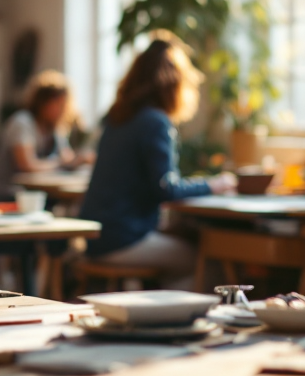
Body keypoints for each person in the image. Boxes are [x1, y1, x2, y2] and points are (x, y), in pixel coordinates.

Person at [79, 33, 235, 287]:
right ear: (174, 83)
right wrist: (214, 184)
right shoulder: (155, 122)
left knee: (179, 251)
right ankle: (167, 320)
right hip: (124, 239)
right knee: (206, 263)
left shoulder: (118, 117)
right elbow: (167, 188)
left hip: (98, 237)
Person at [0, 70, 84, 202]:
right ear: (43, 102)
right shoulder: (22, 123)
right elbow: (27, 165)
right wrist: (62, 163)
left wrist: (78, 160)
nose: (63, 110)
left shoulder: (54, 128)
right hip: (8, 195)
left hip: (35, 196)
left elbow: (66, 157)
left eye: (64, 105)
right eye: (59, 104)